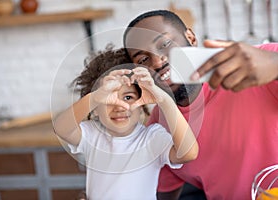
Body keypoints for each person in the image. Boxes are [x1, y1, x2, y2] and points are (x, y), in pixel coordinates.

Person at [123, 10, 278, 200]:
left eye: (165, 44)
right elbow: (161, 193)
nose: (157, 61)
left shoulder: (259, 63)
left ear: (190, 37)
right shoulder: (158, 128)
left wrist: (274, 63)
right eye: (143, 59)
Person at [53, 47, 199, 200]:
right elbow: (61, 128)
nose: (120, 106)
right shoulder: (92, 134)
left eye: (128, 97)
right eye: (108, 99)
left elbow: (188, 153)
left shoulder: (151, 138)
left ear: (142, 103)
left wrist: (165, 100)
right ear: (95, 110)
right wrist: (95, 97)